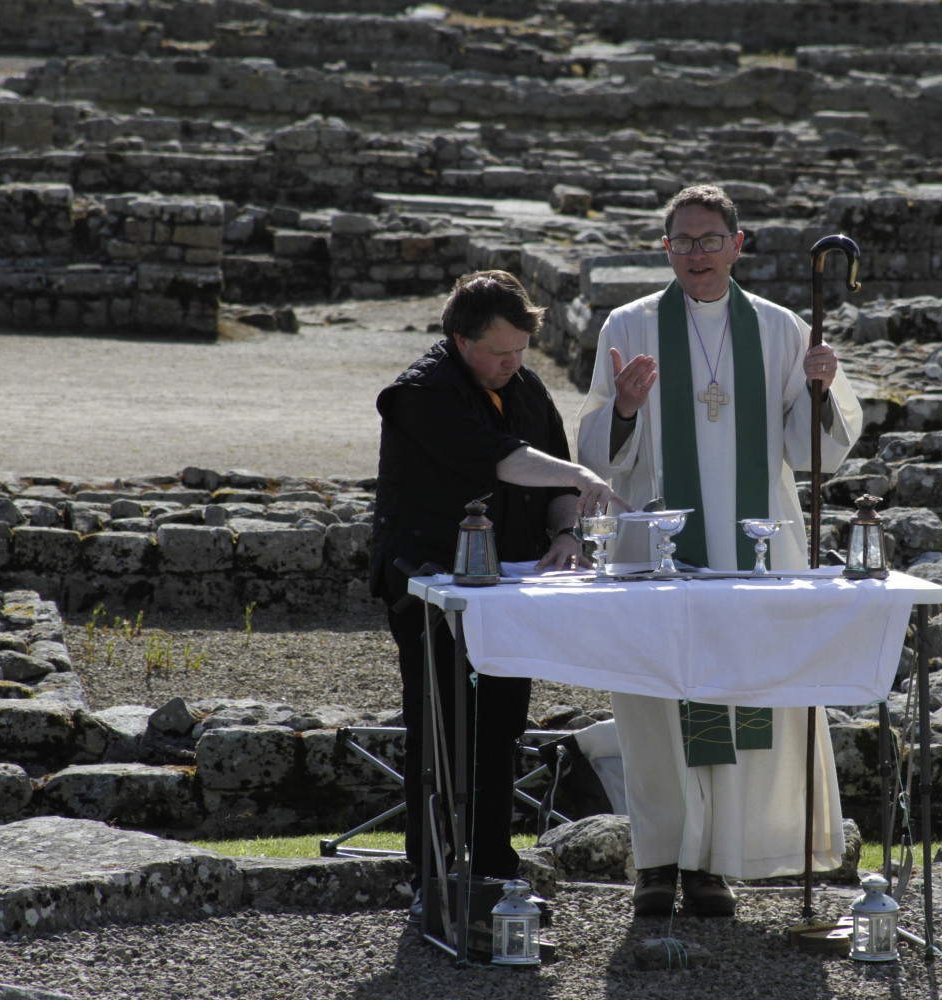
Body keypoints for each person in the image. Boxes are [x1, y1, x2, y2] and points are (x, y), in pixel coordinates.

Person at [576, 185, 864, 917]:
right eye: (681, 241)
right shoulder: (630, 324)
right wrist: (627, 411)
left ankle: (716, 863)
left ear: (740, 245)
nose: (695, 254)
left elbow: (811, 448)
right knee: (657, 702)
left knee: (743, 698)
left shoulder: (779, 329)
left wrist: (820, 389)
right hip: (657, 549)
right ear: (664, 247)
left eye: (709, 240)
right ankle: (659, 862)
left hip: (754, 548)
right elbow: (593, 449)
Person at [369, 270, 623, 918]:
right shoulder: (420, 393)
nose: (512, 365)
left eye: (520, 353)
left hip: (510, 592)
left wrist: (566, 531)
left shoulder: (527, 387)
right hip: (429, 588)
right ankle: (432, 872)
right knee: (441, 726)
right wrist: (579, 475)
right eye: (499, 353)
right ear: (460, 338)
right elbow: (506, 460)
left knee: (503, 724)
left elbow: (556, 482)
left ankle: (491, 865)